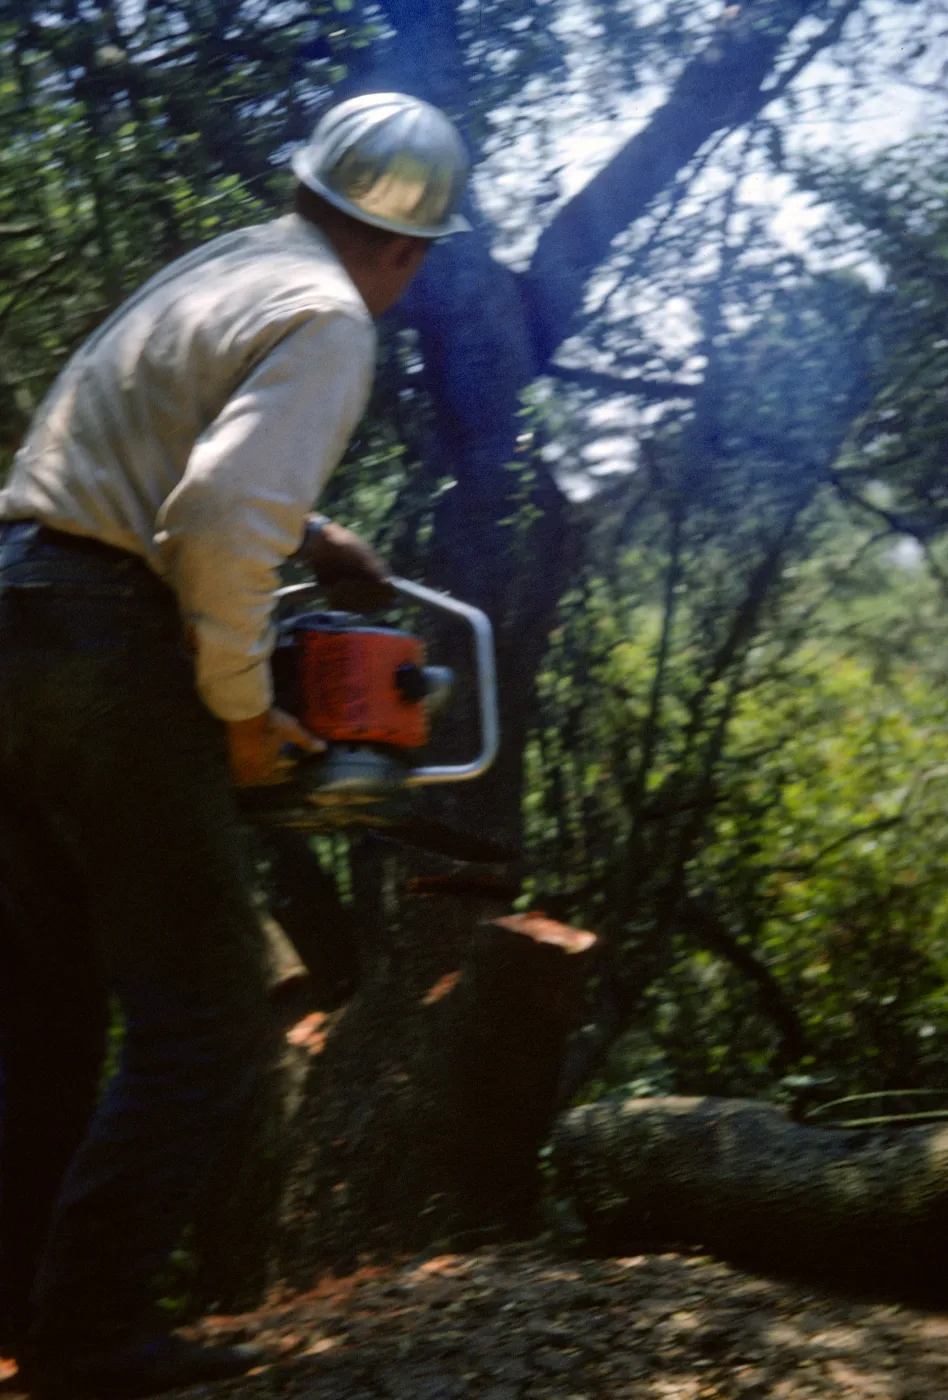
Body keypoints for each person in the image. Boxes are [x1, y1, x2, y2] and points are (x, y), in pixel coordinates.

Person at [0, 92, 470, 1399]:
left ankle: (21, 1319)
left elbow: (135, 444)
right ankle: (87, 1336)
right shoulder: (327, 315)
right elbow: (213, 516)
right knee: (207, 1014)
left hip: (18, 614)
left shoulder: (229, 265)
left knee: (43, 1014)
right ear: (408, 250)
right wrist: (244, 711)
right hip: (110, 647)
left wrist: (313, 536)